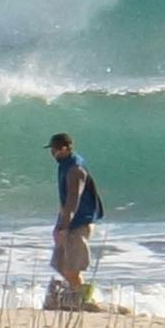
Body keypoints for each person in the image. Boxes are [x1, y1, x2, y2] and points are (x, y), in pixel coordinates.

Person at [47, 131, 105, 311]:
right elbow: (64, 202)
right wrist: (59, 225)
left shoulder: (75, 169)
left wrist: (64, 227)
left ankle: (87, 298)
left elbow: (73, 200)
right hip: (68, 222)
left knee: (72, 268)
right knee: (59, 264)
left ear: (64, 149)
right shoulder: (63, 164)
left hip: (79, 223)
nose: (52, 153)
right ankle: (80, 294)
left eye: (54, 149)